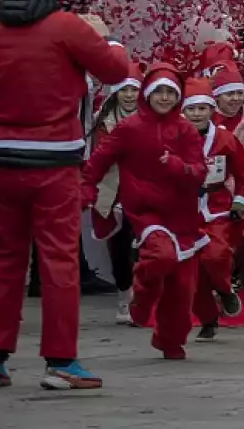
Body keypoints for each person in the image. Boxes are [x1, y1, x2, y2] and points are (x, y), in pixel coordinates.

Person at [0, 0, 129, 391]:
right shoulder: (67, 27)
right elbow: (116, 70)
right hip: (54, 157)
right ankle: (60, 362)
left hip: (2, 154)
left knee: (3, 257)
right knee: (58, 259)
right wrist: (106, 37)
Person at [81, 64, 207, 360]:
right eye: (158, 92)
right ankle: (141, 298)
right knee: (159, 256)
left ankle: (169, 340)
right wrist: (87, 189)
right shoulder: (129, 128)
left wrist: (176, 165)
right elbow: (98, 160)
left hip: (183, 216)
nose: (164, 98)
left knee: (182, 289)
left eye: (170, 93)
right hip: (145, 212)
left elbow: (199, 172)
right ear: (147, 95)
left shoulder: (186, 129)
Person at [180, 77, 244, 342]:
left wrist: (241, 200)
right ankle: (208, 318)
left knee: (215, 255)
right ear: (182, 112)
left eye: (202, 108)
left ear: (212, 110)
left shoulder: (225, 139)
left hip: (217, 209)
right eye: (191, 109)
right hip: (184, 212)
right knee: (193, 274)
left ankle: (225, 290)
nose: (197, 114)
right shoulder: (172, 138)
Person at [87, 70, 143, 325]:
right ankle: (124, 295)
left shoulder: (152, 118)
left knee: (145, 245)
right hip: (114, 190)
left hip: (145, 190)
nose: (129, 95)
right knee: (119, 247)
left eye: (134, 90)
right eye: (124, 90)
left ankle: (142, 298)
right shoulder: (103, 121)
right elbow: (99, 157)